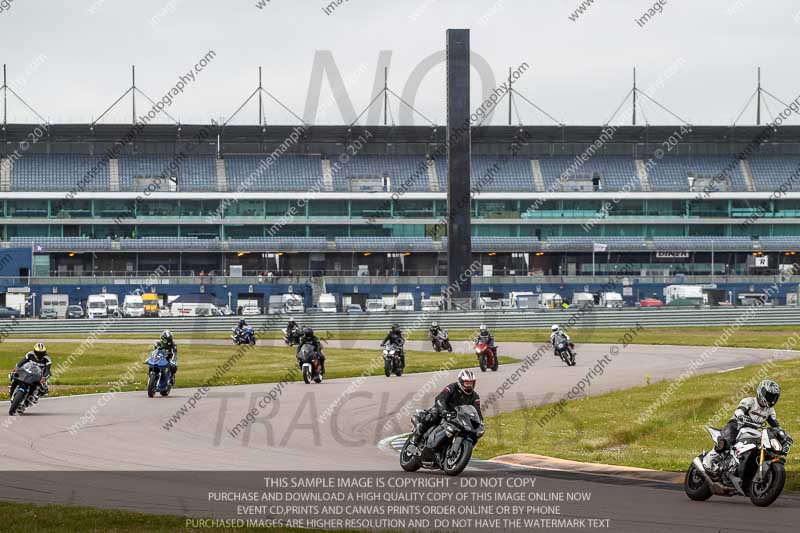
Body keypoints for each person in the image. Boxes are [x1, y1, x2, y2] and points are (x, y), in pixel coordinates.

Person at [702, 380, 784, 474]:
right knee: (727, 442)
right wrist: (741, 415)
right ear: (762, 392)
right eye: (770, 396)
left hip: (751, 431)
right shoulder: (750, 401)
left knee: (759, 447)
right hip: (735, 427)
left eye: (774, 397)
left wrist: (780, 432)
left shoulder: (770, 410)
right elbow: (739, 410)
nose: (772, 399)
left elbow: (775, 424)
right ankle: (708, 460)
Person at [409, 369, 482, 450]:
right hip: (443, 409)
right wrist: (444, 411)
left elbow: (477, 411)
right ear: (461, 382)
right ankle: (416, 438)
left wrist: (479, 422)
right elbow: (440, 398)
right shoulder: (452, 387)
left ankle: (458, 449)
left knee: (472, 433)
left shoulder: (475, 396)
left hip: (458, 416)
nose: (469, 386)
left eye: (471, 383)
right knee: (432, 416)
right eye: (467, 383)